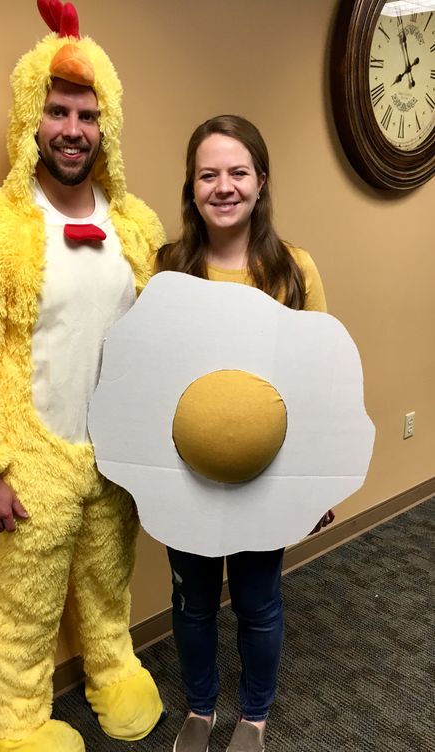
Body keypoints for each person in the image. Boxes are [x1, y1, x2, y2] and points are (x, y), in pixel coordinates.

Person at [0, 4, 164, 752]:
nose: (72, 128)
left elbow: (165, 337)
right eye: (58, 111)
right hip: (32, 458)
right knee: (24, 607)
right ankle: (24, 720)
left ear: (108, 125)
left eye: (87, 114)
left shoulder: (139, 228)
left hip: (116, 455)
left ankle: (113, 669)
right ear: (32, 117)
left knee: (109, 584)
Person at [154, 115, 334, 752]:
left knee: (258, 600)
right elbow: (148, 379)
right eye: (209, 174)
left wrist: (316, 485)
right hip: (187, 475)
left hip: (270, 476)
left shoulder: (293, 269)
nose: (223, 187)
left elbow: (318, 384)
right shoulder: (168, 268)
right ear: (192, 186)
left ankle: (253, 717)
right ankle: (200, 709)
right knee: (194, 602)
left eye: (238, 172)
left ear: (261, 182)